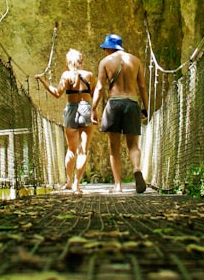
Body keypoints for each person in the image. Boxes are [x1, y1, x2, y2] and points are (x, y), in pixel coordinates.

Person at [91, 34, 149, 193]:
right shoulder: (135, 61)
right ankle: (136, 168)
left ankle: (117, 185)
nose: (104, 51)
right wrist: (145, 107)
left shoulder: (105, 62)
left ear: (110, 48)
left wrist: (93, 108)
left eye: (105, 48)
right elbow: (142, 86)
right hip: (131, 103)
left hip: (114, 104)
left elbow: (100, 88)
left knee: (114, 147)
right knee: (133, 144)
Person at [35, 49, 95, 193]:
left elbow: (57, 93)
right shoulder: (89, 75)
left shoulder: (66, 75)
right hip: (86, 108)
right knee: (83, 151)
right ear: (82, 61)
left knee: (71, 150)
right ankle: (77, 184)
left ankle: (68, 182)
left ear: (68, 62)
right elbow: (94, 94)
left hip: (71, 110)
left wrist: (43, 81)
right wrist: (95, 111)